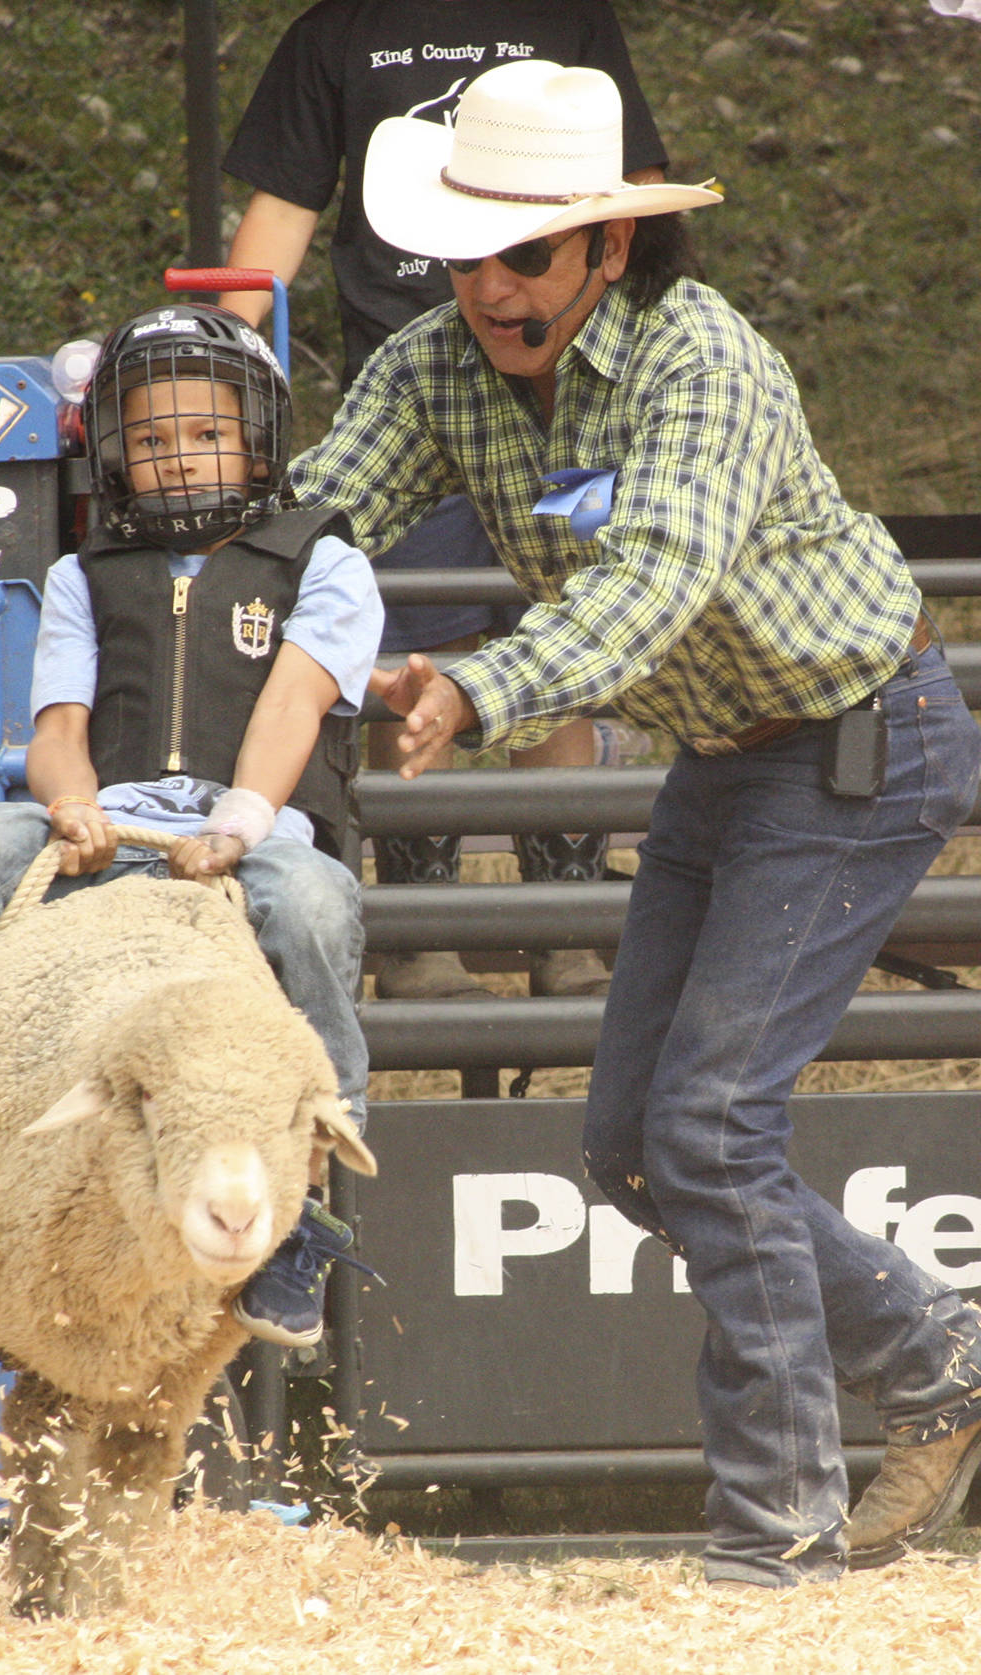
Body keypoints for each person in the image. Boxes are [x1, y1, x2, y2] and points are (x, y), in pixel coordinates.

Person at [288, 57, 981, 1586]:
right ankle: (937, 1355)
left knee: (708, 1127)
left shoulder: (706, 359)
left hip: (862, 745)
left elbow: (654, 583)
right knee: (631, 1143)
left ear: (610, 245)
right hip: (731, 758)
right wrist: (177, 570)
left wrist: (474, 686)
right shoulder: (432, 365)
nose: (490, 287)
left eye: (525, 253)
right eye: (464, 253)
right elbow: (312, 517)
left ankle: (776, 1530)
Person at [0, 303, 384, 1350]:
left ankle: (308, 1199)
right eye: (150, 438)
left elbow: (293, 707)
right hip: (113, 818)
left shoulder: (324, 563)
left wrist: (241, 826)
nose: (178, 457)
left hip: (258, 826)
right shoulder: (82, 574)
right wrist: (71, 807)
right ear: (110, 452)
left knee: (316, 905)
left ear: (259, 441)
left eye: (206, 433)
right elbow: (59, 730)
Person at [221, 1, 670, 1000]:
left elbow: (633, 186)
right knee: (415, 644)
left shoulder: (568, 15)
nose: (490, 270)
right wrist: (218, 364)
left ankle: (564, 926)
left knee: (559, 625)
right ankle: (417, 936)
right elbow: (282, 208)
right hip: (426, 395)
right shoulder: (337, 30)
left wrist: (641, 325)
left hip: (570, 390)